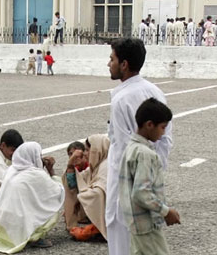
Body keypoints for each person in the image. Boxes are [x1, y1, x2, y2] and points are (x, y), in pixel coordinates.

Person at [106, 38, 172, 255]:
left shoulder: (121, 100)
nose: (109, 64)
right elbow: (165, 140)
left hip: (125, 183)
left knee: (121, 236)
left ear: (124, 64)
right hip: (150, 180)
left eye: (112, 59)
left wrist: (135, 183)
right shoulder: (155, 92)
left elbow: (126, 148)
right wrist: (152, 172)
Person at [120, 98, 180, 254]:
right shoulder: (145, 154)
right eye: (162, 127)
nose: (164, 133)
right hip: (147, 225)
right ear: (149, 125)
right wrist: (166, 211)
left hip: (136, 222)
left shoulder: (131, 147)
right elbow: (141, 192)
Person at [0, 142, 65, 253]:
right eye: (39, 156)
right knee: (52, 204)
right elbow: (58, 192)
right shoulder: (37, 174)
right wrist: (51, 171)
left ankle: (20, 234)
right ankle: (35, 237)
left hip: (0, 223)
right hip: (16, 228)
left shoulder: (12, 169)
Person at [64, 135, 110, 242]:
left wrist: (82, 196)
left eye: (88, 150)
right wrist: (70, 165)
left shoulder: (107, 166)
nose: (85, 153)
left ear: (96, 150)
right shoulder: (96, 165)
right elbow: (74, 182)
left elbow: (99, 193)